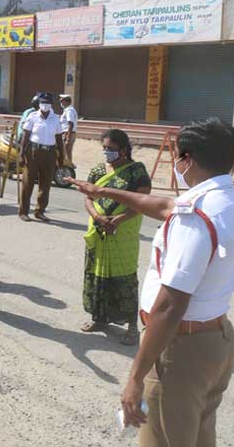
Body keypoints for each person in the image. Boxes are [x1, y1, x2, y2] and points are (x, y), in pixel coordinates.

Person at [68, 118, 234, 447]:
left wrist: (135, 378)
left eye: (178, 156)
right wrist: (102, 190)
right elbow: (166, 206)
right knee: (198, 436)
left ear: (187, 160)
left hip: (181, 349)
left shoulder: (196, 217)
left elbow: (169, 306)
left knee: (161, 440)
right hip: (217, 339)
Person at [81, 130, 151, 345]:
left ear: (123, 149)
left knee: (124, 278)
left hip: (123, 233)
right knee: (98, 274)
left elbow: (142, 200)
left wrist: (118, 220)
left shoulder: (136, 171)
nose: (107, 153)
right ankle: (100, 319)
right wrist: (97, 217)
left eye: (111, 149)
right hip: (99, 229)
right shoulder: (98, 170)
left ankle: (132, 327)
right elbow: (88, 198)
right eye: (104, 148)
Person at [19, 92, 64, 222]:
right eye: (43, 102)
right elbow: (25, 136)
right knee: (28, 183)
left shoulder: (56, 118)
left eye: (47, 103)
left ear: (51, 104)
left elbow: (59, 138)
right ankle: (23, 211)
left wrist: (61, 156)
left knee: (46, 184)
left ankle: (40, 211)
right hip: (33, 152)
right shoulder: (32, 116)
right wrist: (21, 154)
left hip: (49, 153)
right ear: (39, 103)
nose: (45, 105)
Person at [60, 94, 78, 167]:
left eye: (62, 101)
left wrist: (67, 138)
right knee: (68, 153)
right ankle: (69, 167)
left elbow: (70, 124)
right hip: (69, 133)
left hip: (68, 133)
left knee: (65, 153)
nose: (61, 103)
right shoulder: (69, 110)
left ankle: (68, 168)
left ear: (66, 101)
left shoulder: (69, 111)